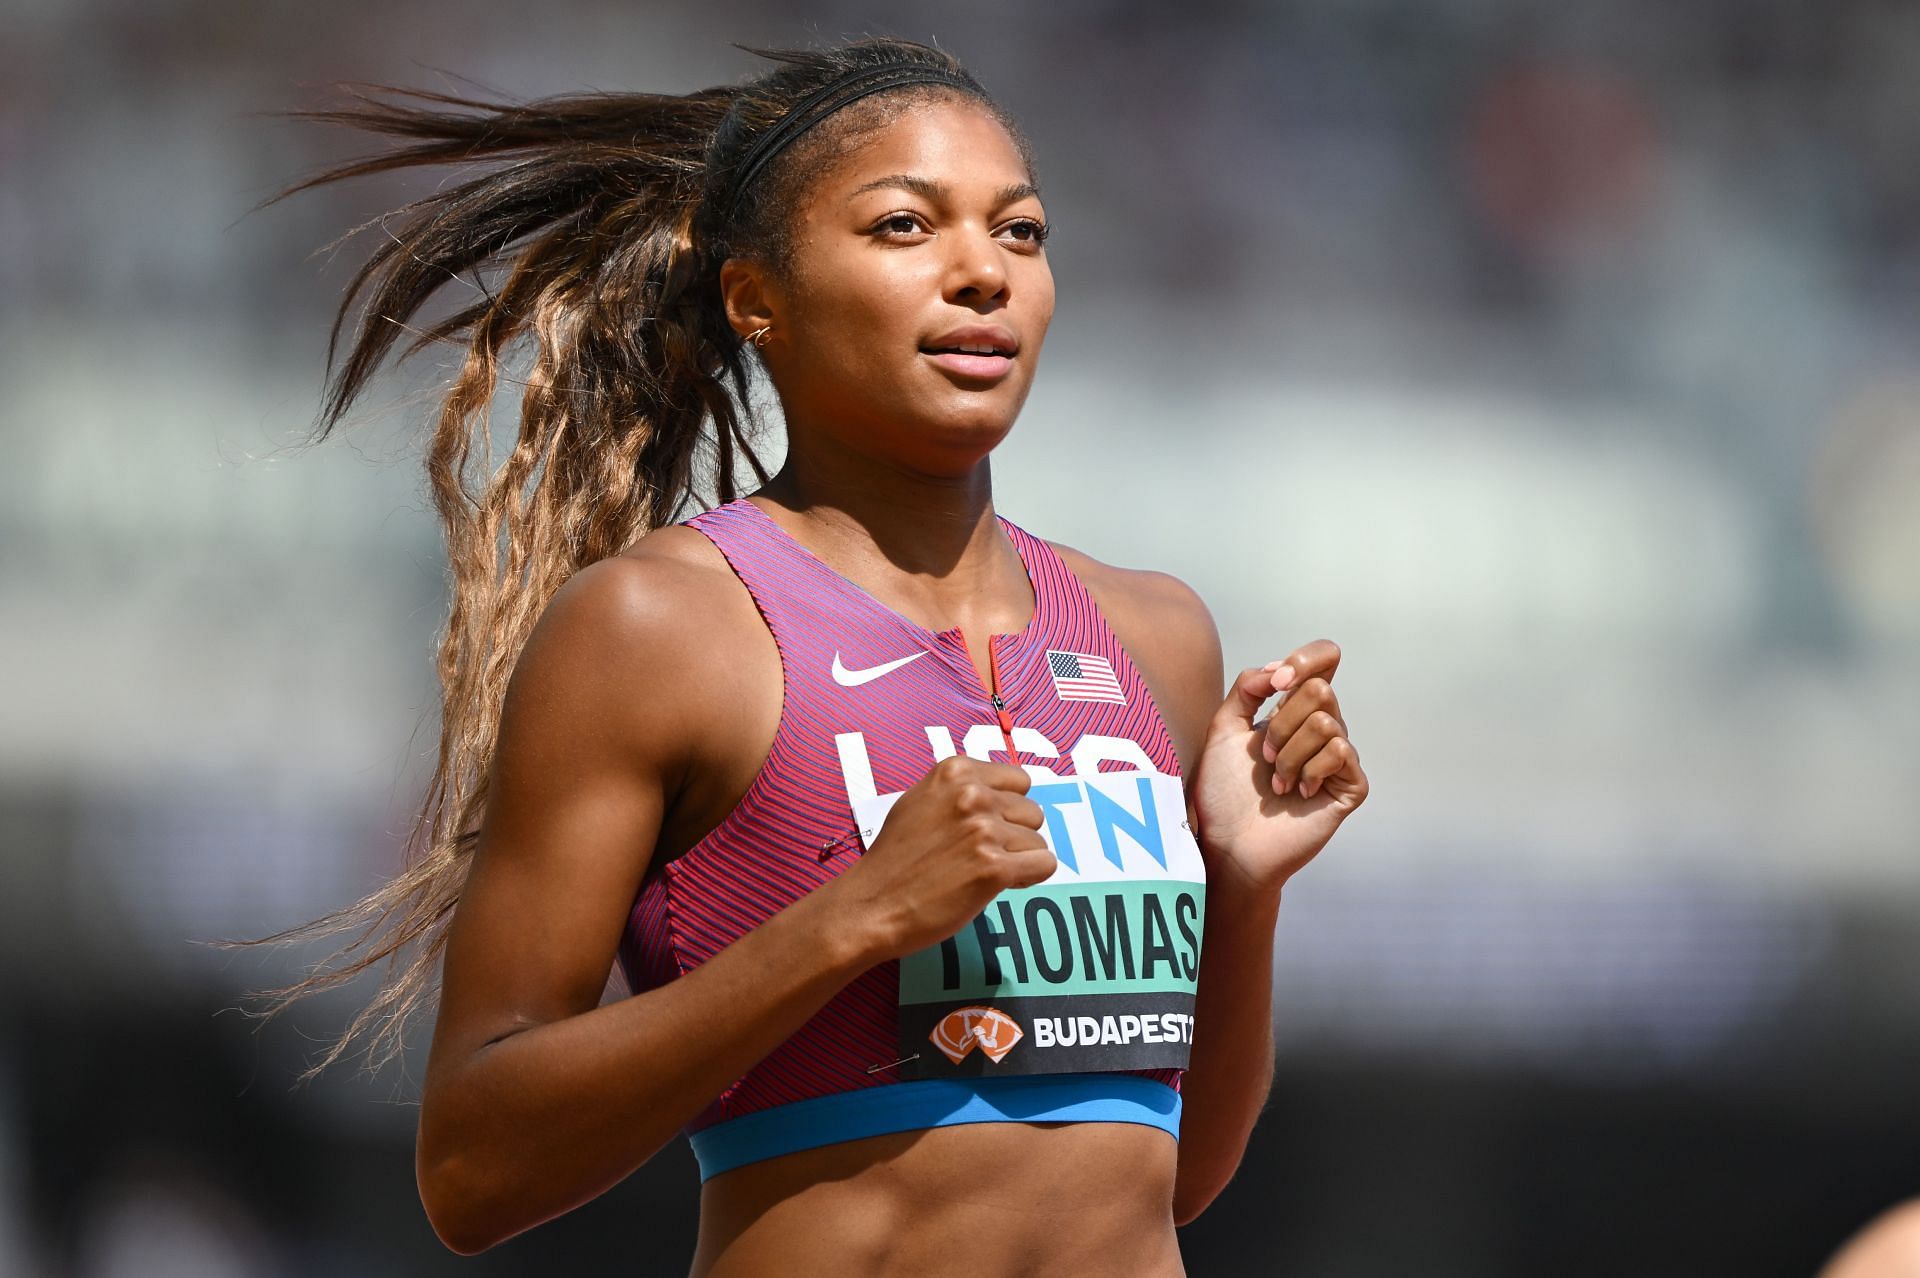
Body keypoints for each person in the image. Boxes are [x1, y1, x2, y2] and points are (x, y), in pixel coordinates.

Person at [239, 35, 1369, 1273]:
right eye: (903, 227)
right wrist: (855, 917)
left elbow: (1179, 1174)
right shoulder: (663, 628)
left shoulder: (1153, 634)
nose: (982, 273)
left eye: (1022, 232)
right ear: (754, 300)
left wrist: (1245, 892)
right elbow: (471, 1168)